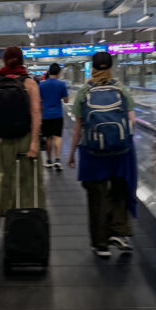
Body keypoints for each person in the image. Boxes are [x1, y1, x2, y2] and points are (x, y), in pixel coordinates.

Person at [67, 51, 137, 258]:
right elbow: (132, 120)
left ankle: (101, 243)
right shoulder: (121, 90)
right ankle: (120, 232)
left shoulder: (84, 92)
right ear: (111, 67)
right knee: (119, 189)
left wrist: (71, 154)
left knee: (96, 195)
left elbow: (77, 127)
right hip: (120, 152)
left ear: (93, 68)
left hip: (93, 153)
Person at [0, 46, 44, 217]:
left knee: (1, 178)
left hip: (0, 140)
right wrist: (34, 142)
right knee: (27, 179)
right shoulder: (29, 83)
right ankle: (26, 217)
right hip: (25, 138)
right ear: (21, 60)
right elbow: (36, 114)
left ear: (4, 60)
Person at [39, 62, 69, 171]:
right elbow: (66, 100)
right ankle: (57, 159)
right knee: (57, 137)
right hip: (58, 114)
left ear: (49, 71)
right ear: (59, 72)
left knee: (48, 138)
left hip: (46, 115)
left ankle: (49, 160)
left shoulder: (42, 84)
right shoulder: (62, 84)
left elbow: (39, 100)